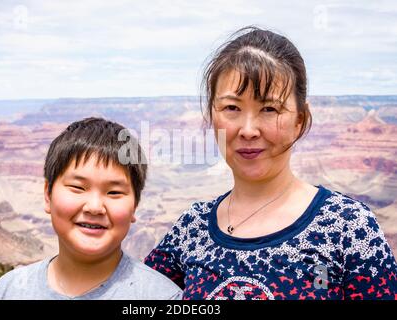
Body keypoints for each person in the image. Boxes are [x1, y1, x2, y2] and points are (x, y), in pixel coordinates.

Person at [144, 26, 397, 300]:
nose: (249, 130)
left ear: (299, 119)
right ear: (212, 116)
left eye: (269, 109)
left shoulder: (348, 228)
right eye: (232, 108)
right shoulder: (191, 230)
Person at [0, 117, 182, 300]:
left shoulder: (163, 296)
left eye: (114, 192)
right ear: (48, 195)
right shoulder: (7, 290)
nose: (95, 207)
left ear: (135, 206)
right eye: (78, 188)